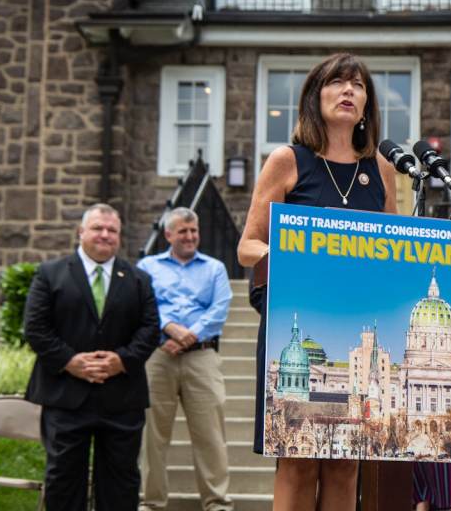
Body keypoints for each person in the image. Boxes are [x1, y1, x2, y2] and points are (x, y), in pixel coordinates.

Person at [237, 53, 399, 511]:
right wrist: (294, 259)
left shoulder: (381, 170)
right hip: (299, 321)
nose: (349, 90)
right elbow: (247, 245)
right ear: (316, 96)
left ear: (366, 105)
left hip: (357, 322)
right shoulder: (289, 160)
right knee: (298, 456)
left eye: (358, 85)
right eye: (338, 82)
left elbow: (393, 251)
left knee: (346, 458)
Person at [23, 203, 161, 511]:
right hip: (65, 397)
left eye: (112, 230)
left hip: (122, 398)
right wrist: (71, 362)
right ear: (81, 232)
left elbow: (151, 329)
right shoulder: (50, 274)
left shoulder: (139, 279)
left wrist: (121, 360)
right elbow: (35, 327)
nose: (105, 235)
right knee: (63, 479)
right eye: (98, 228)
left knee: (121, 481)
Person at [137, 207, 233, 511]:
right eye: (183, 231)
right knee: (152, 435)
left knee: (211, 434)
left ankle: (217, 503)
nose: (190, 236)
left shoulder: (215, 268)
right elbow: (143, 303)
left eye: (194, 231)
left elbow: (220, 308)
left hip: (201, 357)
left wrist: (189, 334)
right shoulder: (147, 266)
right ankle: (151, 502)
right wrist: (167, 326)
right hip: (158, 357)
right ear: (168, 235)